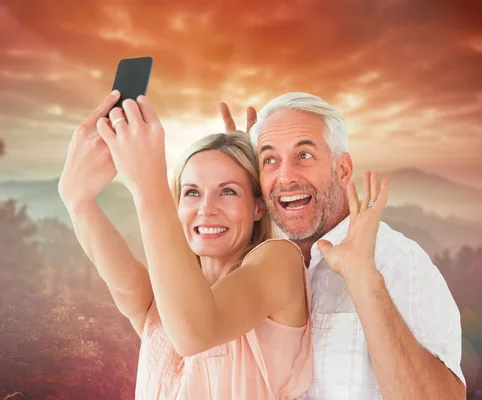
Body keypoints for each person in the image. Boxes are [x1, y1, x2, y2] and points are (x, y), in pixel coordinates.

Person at [58, 90, 313, 399]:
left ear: (259, 206)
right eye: (192, 192)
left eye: (228, 191)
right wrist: (76, 197)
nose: (206, 209)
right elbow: (126, 288)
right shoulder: (163, 301)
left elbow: (196, 332)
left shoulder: (279, 260)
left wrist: (148, 184)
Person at [220, 93, 467, 399]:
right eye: (269, 159)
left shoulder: (398, 262)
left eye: (304, 155)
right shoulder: (263, 264)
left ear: (343, 170)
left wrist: (365, 280)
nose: (284, 177)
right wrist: (235, 188)